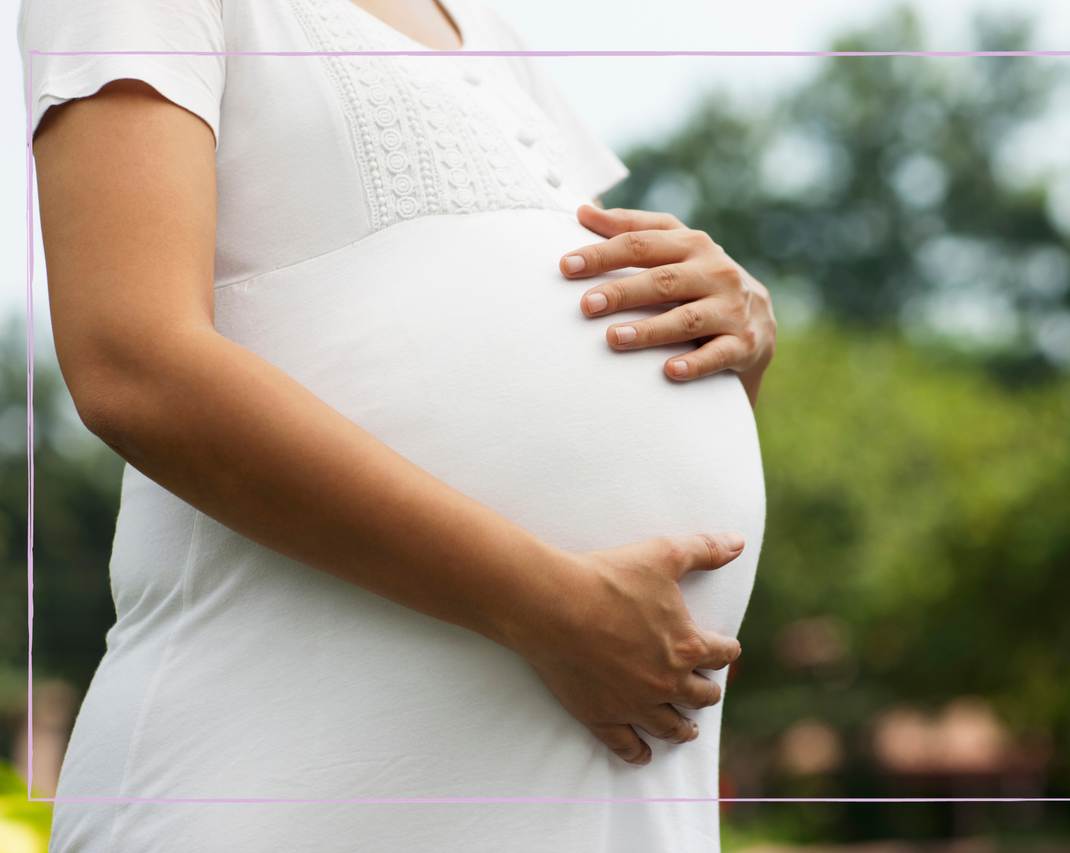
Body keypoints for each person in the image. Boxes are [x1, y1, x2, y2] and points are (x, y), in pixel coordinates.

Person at [20, 0, 776, 849]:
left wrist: (725, 334)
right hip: (287, 785)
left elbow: (601, 396)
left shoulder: (489, 37)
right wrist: (546, 606)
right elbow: (133, 365)